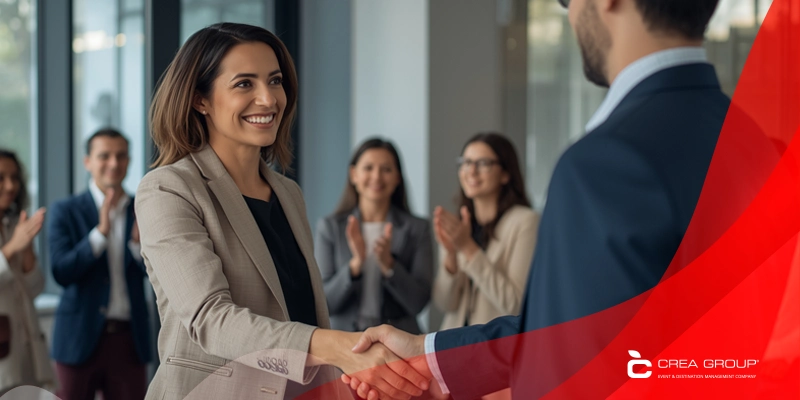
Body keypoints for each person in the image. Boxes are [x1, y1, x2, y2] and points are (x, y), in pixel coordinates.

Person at [344, 0, 750, 398]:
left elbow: (570, 365)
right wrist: (433, 360)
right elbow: (570, 329)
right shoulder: (756, 144)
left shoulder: (602, 163)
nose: (570, 13)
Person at [136, 23, 429, 400]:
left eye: (275, 81)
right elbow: (212, 320)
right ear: (200, 100)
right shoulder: (168, 188)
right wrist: (341, 346)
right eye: (245, 84)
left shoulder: (288, 193)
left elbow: (302, 311)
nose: (268, 99)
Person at [47, 128, 151, 400]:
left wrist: (137, 247)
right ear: (88, 162)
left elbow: (157, 278)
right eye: (104, 156)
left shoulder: (143, 208)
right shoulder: (65, 210)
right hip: (77, 339)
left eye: (121, 156)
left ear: (129, 161)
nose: (114, 164)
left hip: (129, 340)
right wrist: (100, 233)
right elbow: (61, 271)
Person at [316, 138, 433, 334]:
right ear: (353, 174)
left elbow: (418, 303)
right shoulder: (330, 228)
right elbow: (324, 303)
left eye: (386, 169)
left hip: (400, 343)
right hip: (345, 346)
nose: (377, 177)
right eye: (368, 168)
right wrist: (356, 265)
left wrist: (389, 265)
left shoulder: (417, 229)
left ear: (397, 177)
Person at [432, 133, 538, 332]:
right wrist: (451, 260)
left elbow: (515, 306)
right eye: (466, 162)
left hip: (497, 349)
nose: (471, 171)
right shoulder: (458, 224)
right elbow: (445, 304)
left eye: (483, 163)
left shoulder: (526, 222)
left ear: (506, 174)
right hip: (454, 347)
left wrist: (468, 249)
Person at [0, 149, 55, 395]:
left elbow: (34, 289)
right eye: (1, 178)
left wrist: (28, 251)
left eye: (14, 177)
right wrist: (11, 249)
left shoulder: (13, 225)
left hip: (25, 350)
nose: (10, 186)